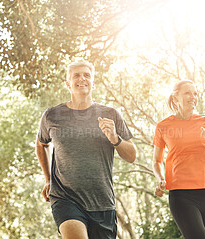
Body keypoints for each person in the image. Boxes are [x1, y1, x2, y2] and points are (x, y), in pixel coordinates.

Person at [35, 60, 136, 239]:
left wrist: (115, 138)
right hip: (66, 198)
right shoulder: (52, 115)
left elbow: (132, 156)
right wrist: (48, 179)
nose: (82, 79)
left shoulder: (110, 114)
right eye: (76, 75)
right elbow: (41, 144)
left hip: (102, 202)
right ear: (68, 84)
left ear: (93, 83)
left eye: (87, 75)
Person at [152, 80, 205, 239]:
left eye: (195, 93)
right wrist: (160, 179)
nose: (193, 97)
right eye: (187, 93)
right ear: (175, 97)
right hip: (181, 195)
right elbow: (156, 160)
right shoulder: (163, 127)